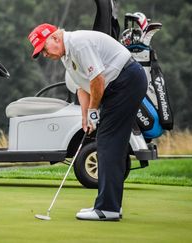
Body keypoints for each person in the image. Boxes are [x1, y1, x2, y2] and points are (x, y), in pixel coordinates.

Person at [27, 23, 147, 221]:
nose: (45, 55)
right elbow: (82, 87)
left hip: (126, 81)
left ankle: (108, 208)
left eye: (44, 49)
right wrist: (85, 116)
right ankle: (111, 205)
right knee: (109, 142)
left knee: (108, 142)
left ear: (55, 38)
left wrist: (93, 110)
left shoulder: (79, 44)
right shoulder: (66, 56)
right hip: (119, 86)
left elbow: (97, 79)